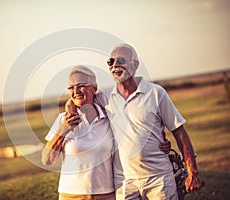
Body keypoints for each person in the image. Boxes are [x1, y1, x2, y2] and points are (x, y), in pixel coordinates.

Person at [90, 43, 202, 199]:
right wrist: (69, 105)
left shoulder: (156, 93)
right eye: (111, 61)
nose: (115, 65)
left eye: (121, 60)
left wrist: (193, 172)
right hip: (124, 181)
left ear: (135, 65)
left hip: (159, 179)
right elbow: (80, 100)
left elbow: (179, 131)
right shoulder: (104, 98)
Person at [42, 65, 171, 200]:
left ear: (94, 89)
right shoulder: (64, 119)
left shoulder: (109, 116)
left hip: (106, 194)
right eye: (71, 88)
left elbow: (135, 132)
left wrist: (160, 141)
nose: (76, 91)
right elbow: (47, 160)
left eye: (81, 86)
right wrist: (63, 130)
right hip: (71, 195)